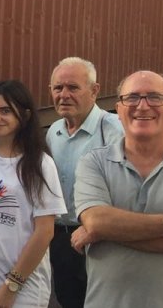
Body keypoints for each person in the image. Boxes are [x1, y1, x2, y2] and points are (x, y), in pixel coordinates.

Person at [72, 70, 163, 305]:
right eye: (131, 97)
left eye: (154, 97)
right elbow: (97, 221)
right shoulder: (94, 162)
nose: (142, 106)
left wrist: (104, 232)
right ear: (118, 110)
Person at [0, 80, 65, 308]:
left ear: (24, 115)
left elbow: (44, 232)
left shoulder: (39, 164)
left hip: (23, 289)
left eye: (4, 110)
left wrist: (11, 287)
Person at [44, 57, 122, 308]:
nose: (64, 95)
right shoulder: (54, 131)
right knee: (69, 299)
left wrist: (95, 227)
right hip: (61, 239)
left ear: (95, 90)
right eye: (58, 88)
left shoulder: (115, 132)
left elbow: (130, 189)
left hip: (100, 240)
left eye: (73, 87)